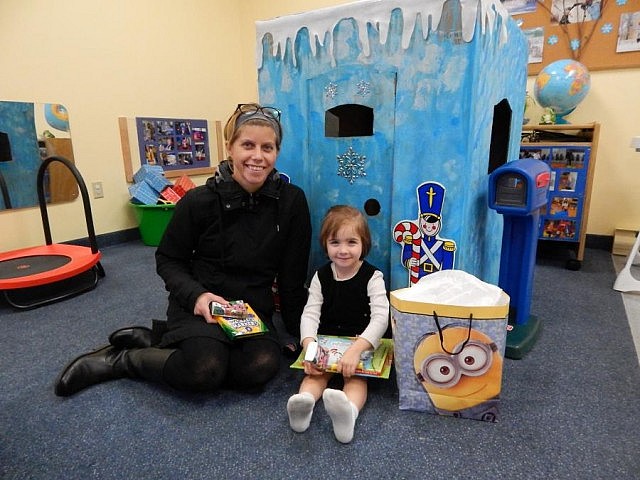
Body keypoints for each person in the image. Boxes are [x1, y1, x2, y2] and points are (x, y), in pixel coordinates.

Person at [55, 103, 311, 396]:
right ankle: (122, 360)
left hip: (249, 310)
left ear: (277, 152)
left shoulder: (292, 201)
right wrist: (197, 296)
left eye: (267, 147)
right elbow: (168, 259)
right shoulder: (199, 201)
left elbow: (292, 275)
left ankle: (158, 339)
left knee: (261, 367)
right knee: (204, 370)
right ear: (230, 147)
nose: (257, 156)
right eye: (247, 145)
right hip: (199, 301)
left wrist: (301, 333)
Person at [286, 205, 389, 443]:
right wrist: (310, 347)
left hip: (358, 341)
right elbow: (310, 314)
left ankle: (348, 413)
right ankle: (305, 405)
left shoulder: (373, 277)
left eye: (351, 242)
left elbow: (381, 317)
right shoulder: (321, 276)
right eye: (335, 243)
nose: (343, 250)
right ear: (325, 244)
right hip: (327, 340)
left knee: (355, 379)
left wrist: (357, 349)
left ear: (363, 244)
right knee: (314, 376)